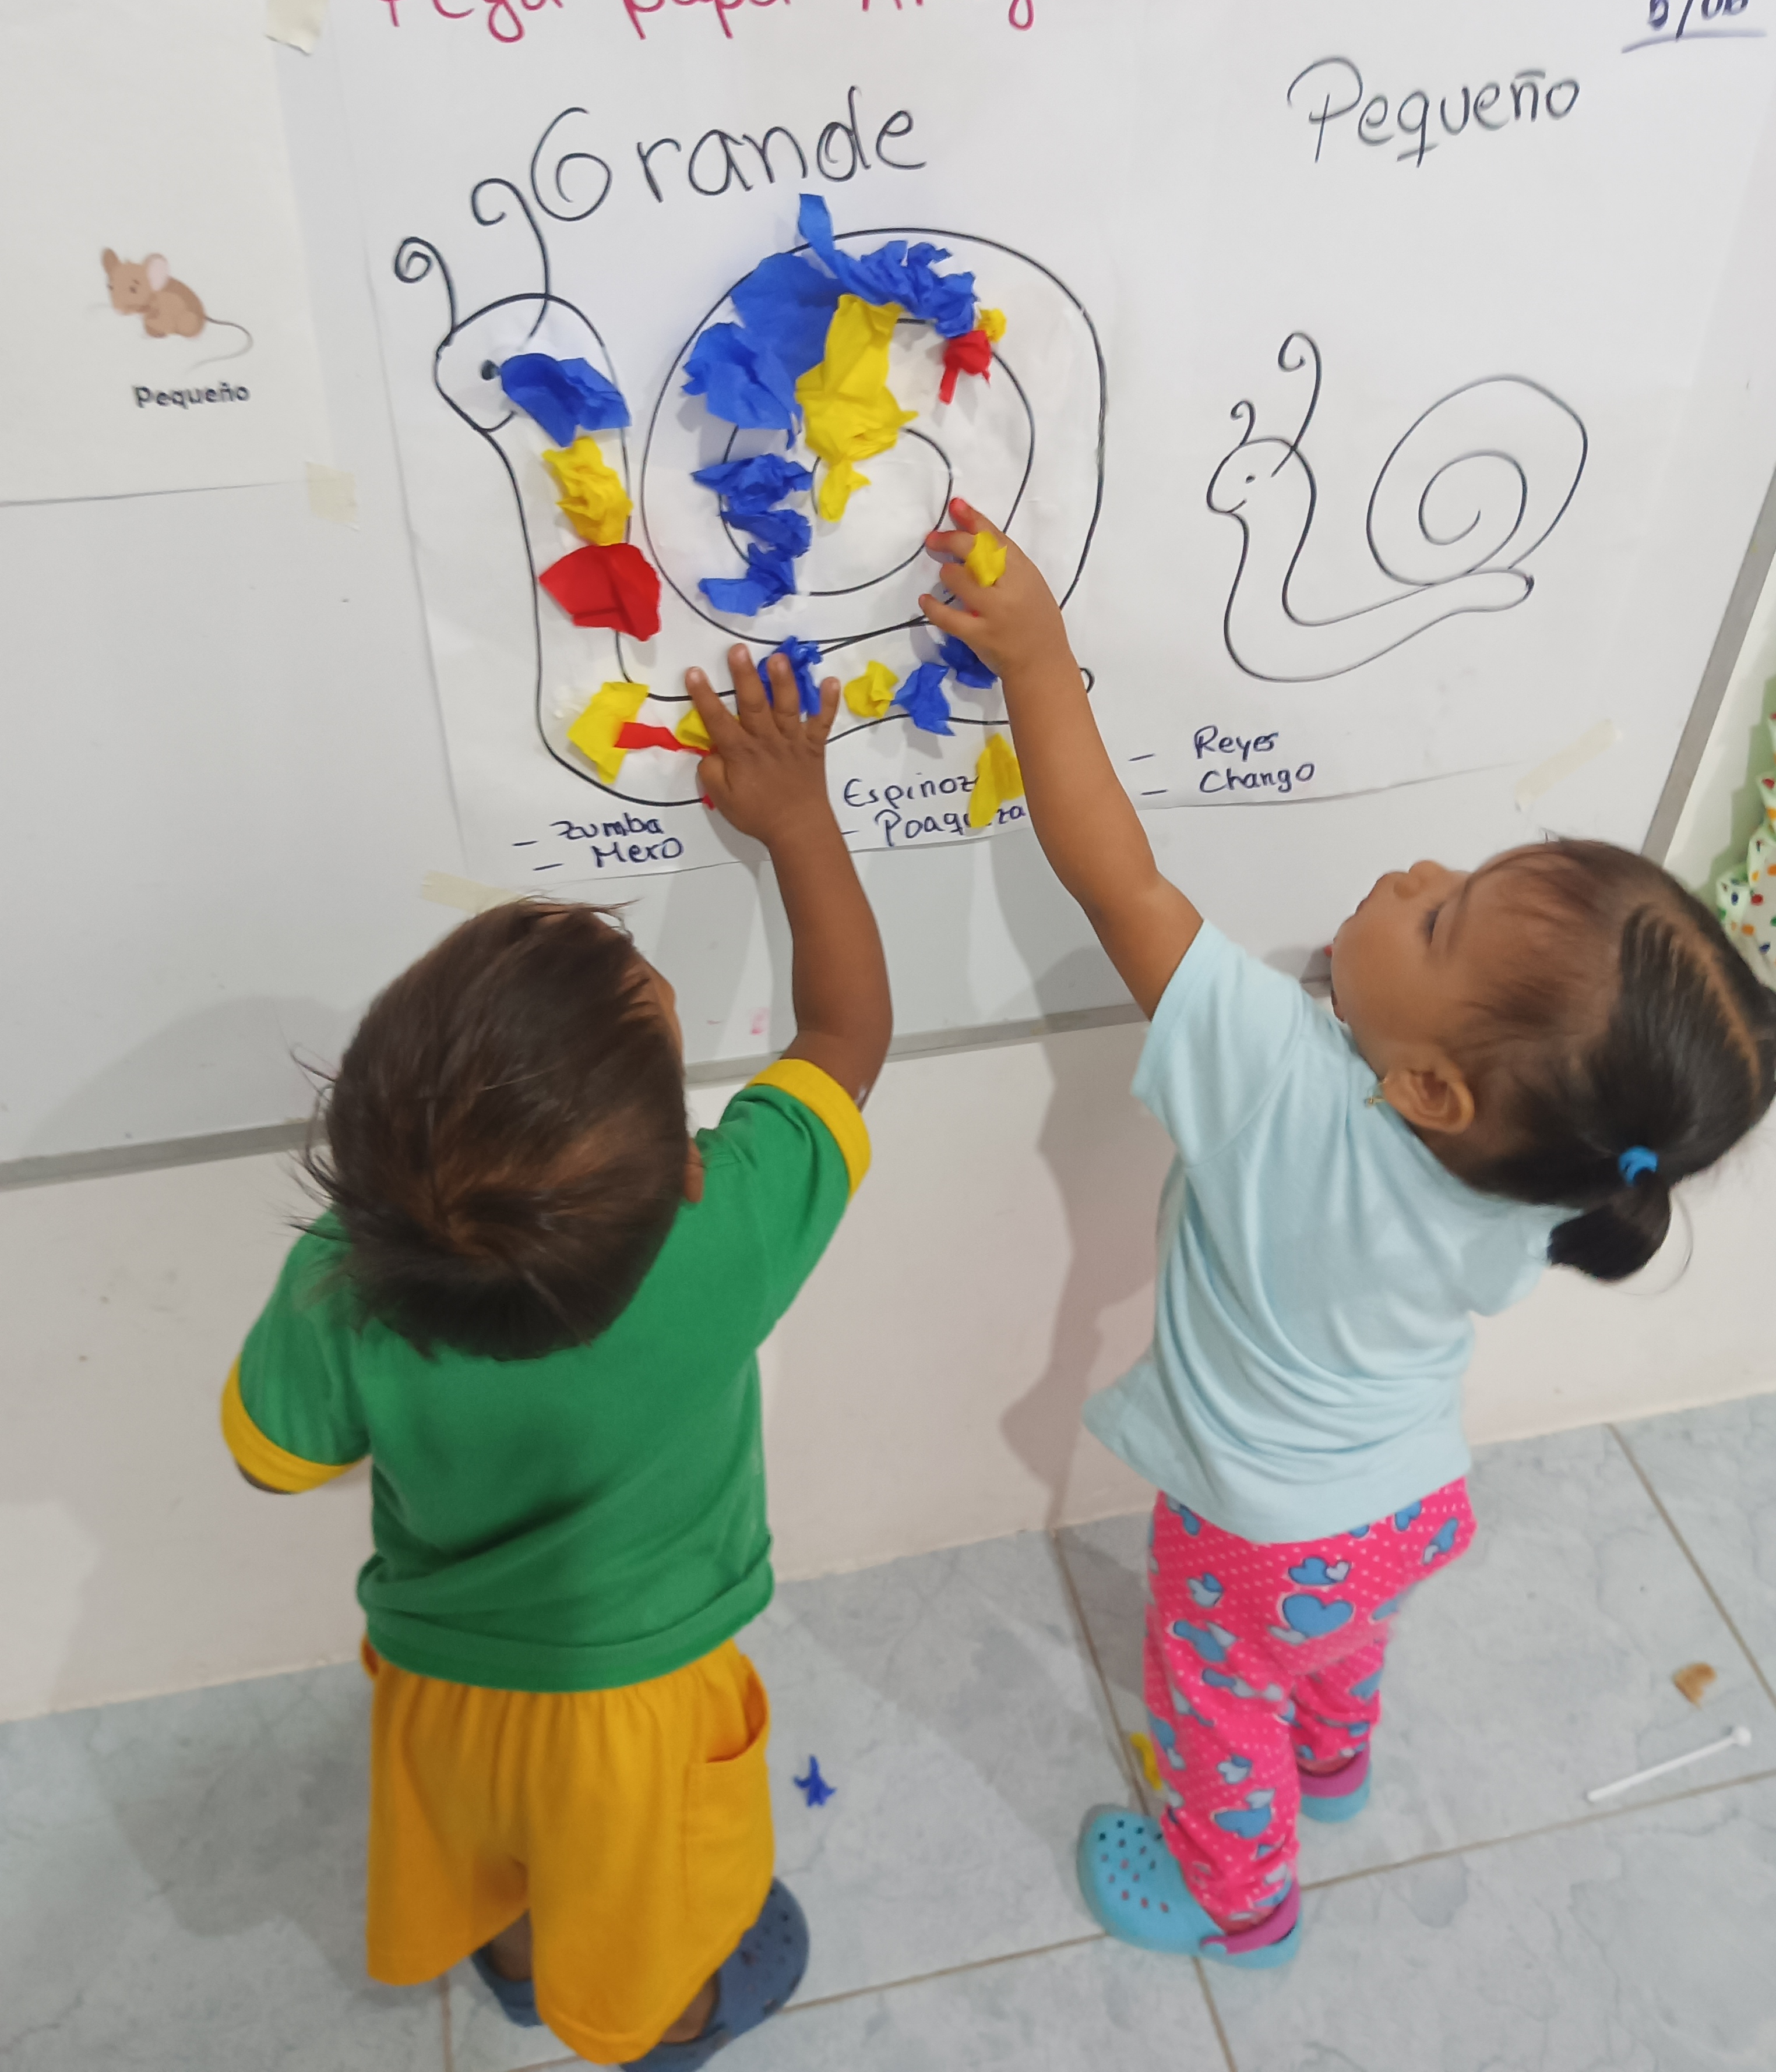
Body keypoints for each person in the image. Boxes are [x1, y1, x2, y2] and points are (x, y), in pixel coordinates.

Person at [922, 499, 1776, 1970]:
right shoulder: (1554, 1179)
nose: (1417, 873)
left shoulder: (1278, 1080)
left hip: (1257, 1531)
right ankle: (1335, 1757)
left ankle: (1237, 1898)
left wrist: (1042, 663)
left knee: (1212, 1700)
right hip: (1408, 1505)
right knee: (1329, 1640)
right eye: (1462, 877)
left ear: (1434, 1087)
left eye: (1440, 920)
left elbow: (1118, 879)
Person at [220, 648, 891, 2066]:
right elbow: (845, 1032)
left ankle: (520, 1966)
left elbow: (270, 1457)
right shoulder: (721, 1237)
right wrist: (798, 817)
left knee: (502, 1861)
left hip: (439, 1692)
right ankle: (668, 2020)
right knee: (650, 1913)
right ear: (691, 1166)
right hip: (636, 1714)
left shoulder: (346, 1274)